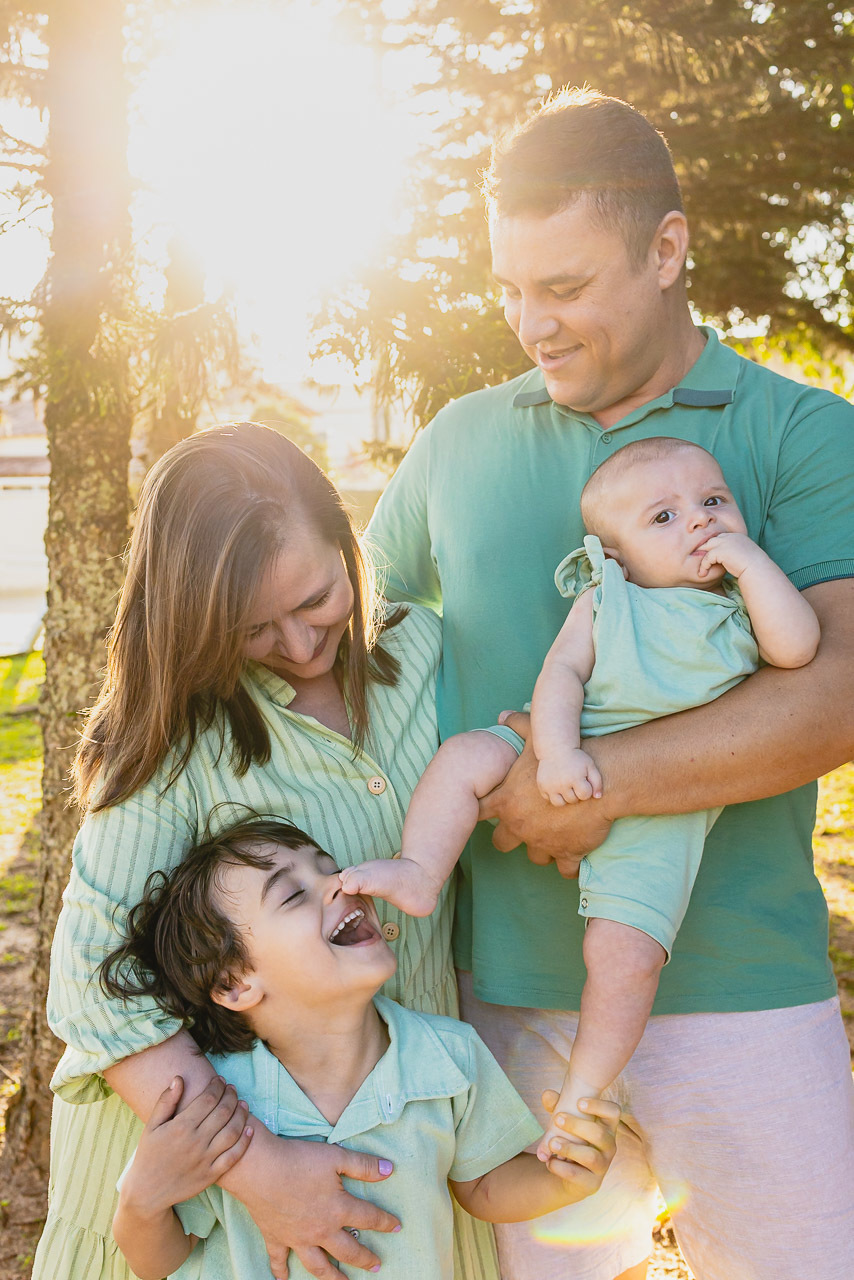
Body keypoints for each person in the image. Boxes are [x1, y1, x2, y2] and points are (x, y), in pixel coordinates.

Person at [367, 87, 854, 1280]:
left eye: (566, 287)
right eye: (510, 289)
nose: (530, 323)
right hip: (504, 1007)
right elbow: (340, 642)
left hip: (743, 990)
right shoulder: (455, 441)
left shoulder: (802, 434)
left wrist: (583, 789)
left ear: (666, 248)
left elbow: (837, 690)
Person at [34, 422, 499, 1280]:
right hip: (207, 1200)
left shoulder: (431, 654)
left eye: (317, 598)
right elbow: (96, 982)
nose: (296, 644)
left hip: (401, 1150)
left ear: (347, 538)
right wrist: (258, 1170)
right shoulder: (182, 731)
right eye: (253, 628)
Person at [344, 437, 819, 1160]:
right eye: (664, 516)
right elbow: (562, 675)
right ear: (618, 556)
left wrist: (752, 566)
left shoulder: (739, 609)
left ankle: (584, 1089)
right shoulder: (607, 600)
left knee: (625, 956)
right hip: (555, 751)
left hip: (663, 816)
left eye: (714, 502)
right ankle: (418, 870)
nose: (699, 521)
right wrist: (555, 754)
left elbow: (797, 650)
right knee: (465, 756)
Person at [101, 816, 620, 1280]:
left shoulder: (449, 1057)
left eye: (331, 869)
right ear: (236, 984)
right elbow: (159, 1262)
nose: (339, 884)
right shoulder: (217, 1102)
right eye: (292, 895)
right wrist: (140, 1203)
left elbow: (483, 1186)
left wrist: (564, 1181)